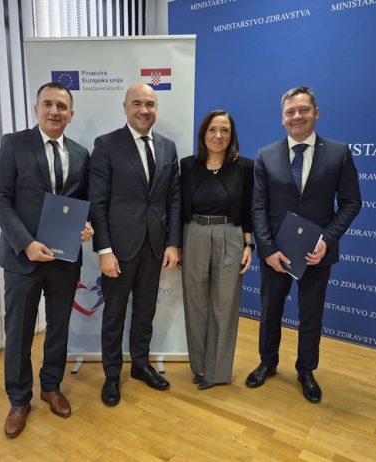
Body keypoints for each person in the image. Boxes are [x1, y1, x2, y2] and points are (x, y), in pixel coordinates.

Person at [0, 82, 94, 437]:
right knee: (19, 332)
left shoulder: (81, 154)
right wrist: (27, 243)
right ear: (36, 109)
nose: (54, 111)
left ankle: (51, 386)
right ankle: (19, 400)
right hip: (23, 259)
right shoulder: (13, 145)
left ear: (71, 115)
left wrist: (86, 227)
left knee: (59, 327)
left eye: (62, 107)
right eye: (48, 104)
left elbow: (82, 203)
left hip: (65, 260)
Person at [246, 86, 361, 403]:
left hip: (316, 254)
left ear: (316, 113)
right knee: (270, 312)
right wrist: (267, 249)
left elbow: (351, 202)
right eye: (290, 112)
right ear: (282, 118)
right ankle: (267, 363)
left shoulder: (338, 153)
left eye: (303, 110)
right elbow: (258, 207)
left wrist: (328, 239)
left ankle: (306, 370)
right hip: (276, 254)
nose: (297, 116)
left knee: (311, 315)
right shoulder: (266, 155)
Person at [89, 83, 181, 406]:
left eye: (150, 104)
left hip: (154, 247)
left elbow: (174, 199)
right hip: (118, 249)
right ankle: (112, 375)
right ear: (125, 107)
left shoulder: (168, 147)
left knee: (145, 312)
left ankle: (140, 365)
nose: (144, 110)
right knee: (114, 315)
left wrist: (173, 243)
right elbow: (97, 202)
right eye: (137, 103)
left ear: (156, 109)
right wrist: (104, 250)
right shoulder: (106, 145)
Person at [180, 110, 254, 390]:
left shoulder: (245, 167)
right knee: (196, 304)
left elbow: (249, 208)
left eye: (225, 130)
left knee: (224, 306)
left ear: (231, 136)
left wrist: (248, 245)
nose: (218, 135)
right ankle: (199, 366)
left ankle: (217, 371)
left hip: (230, 235)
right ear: (203, 134)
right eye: (212, 129)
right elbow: (178, 207)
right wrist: (176, 244)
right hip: (194, 233)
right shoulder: (188, 166)